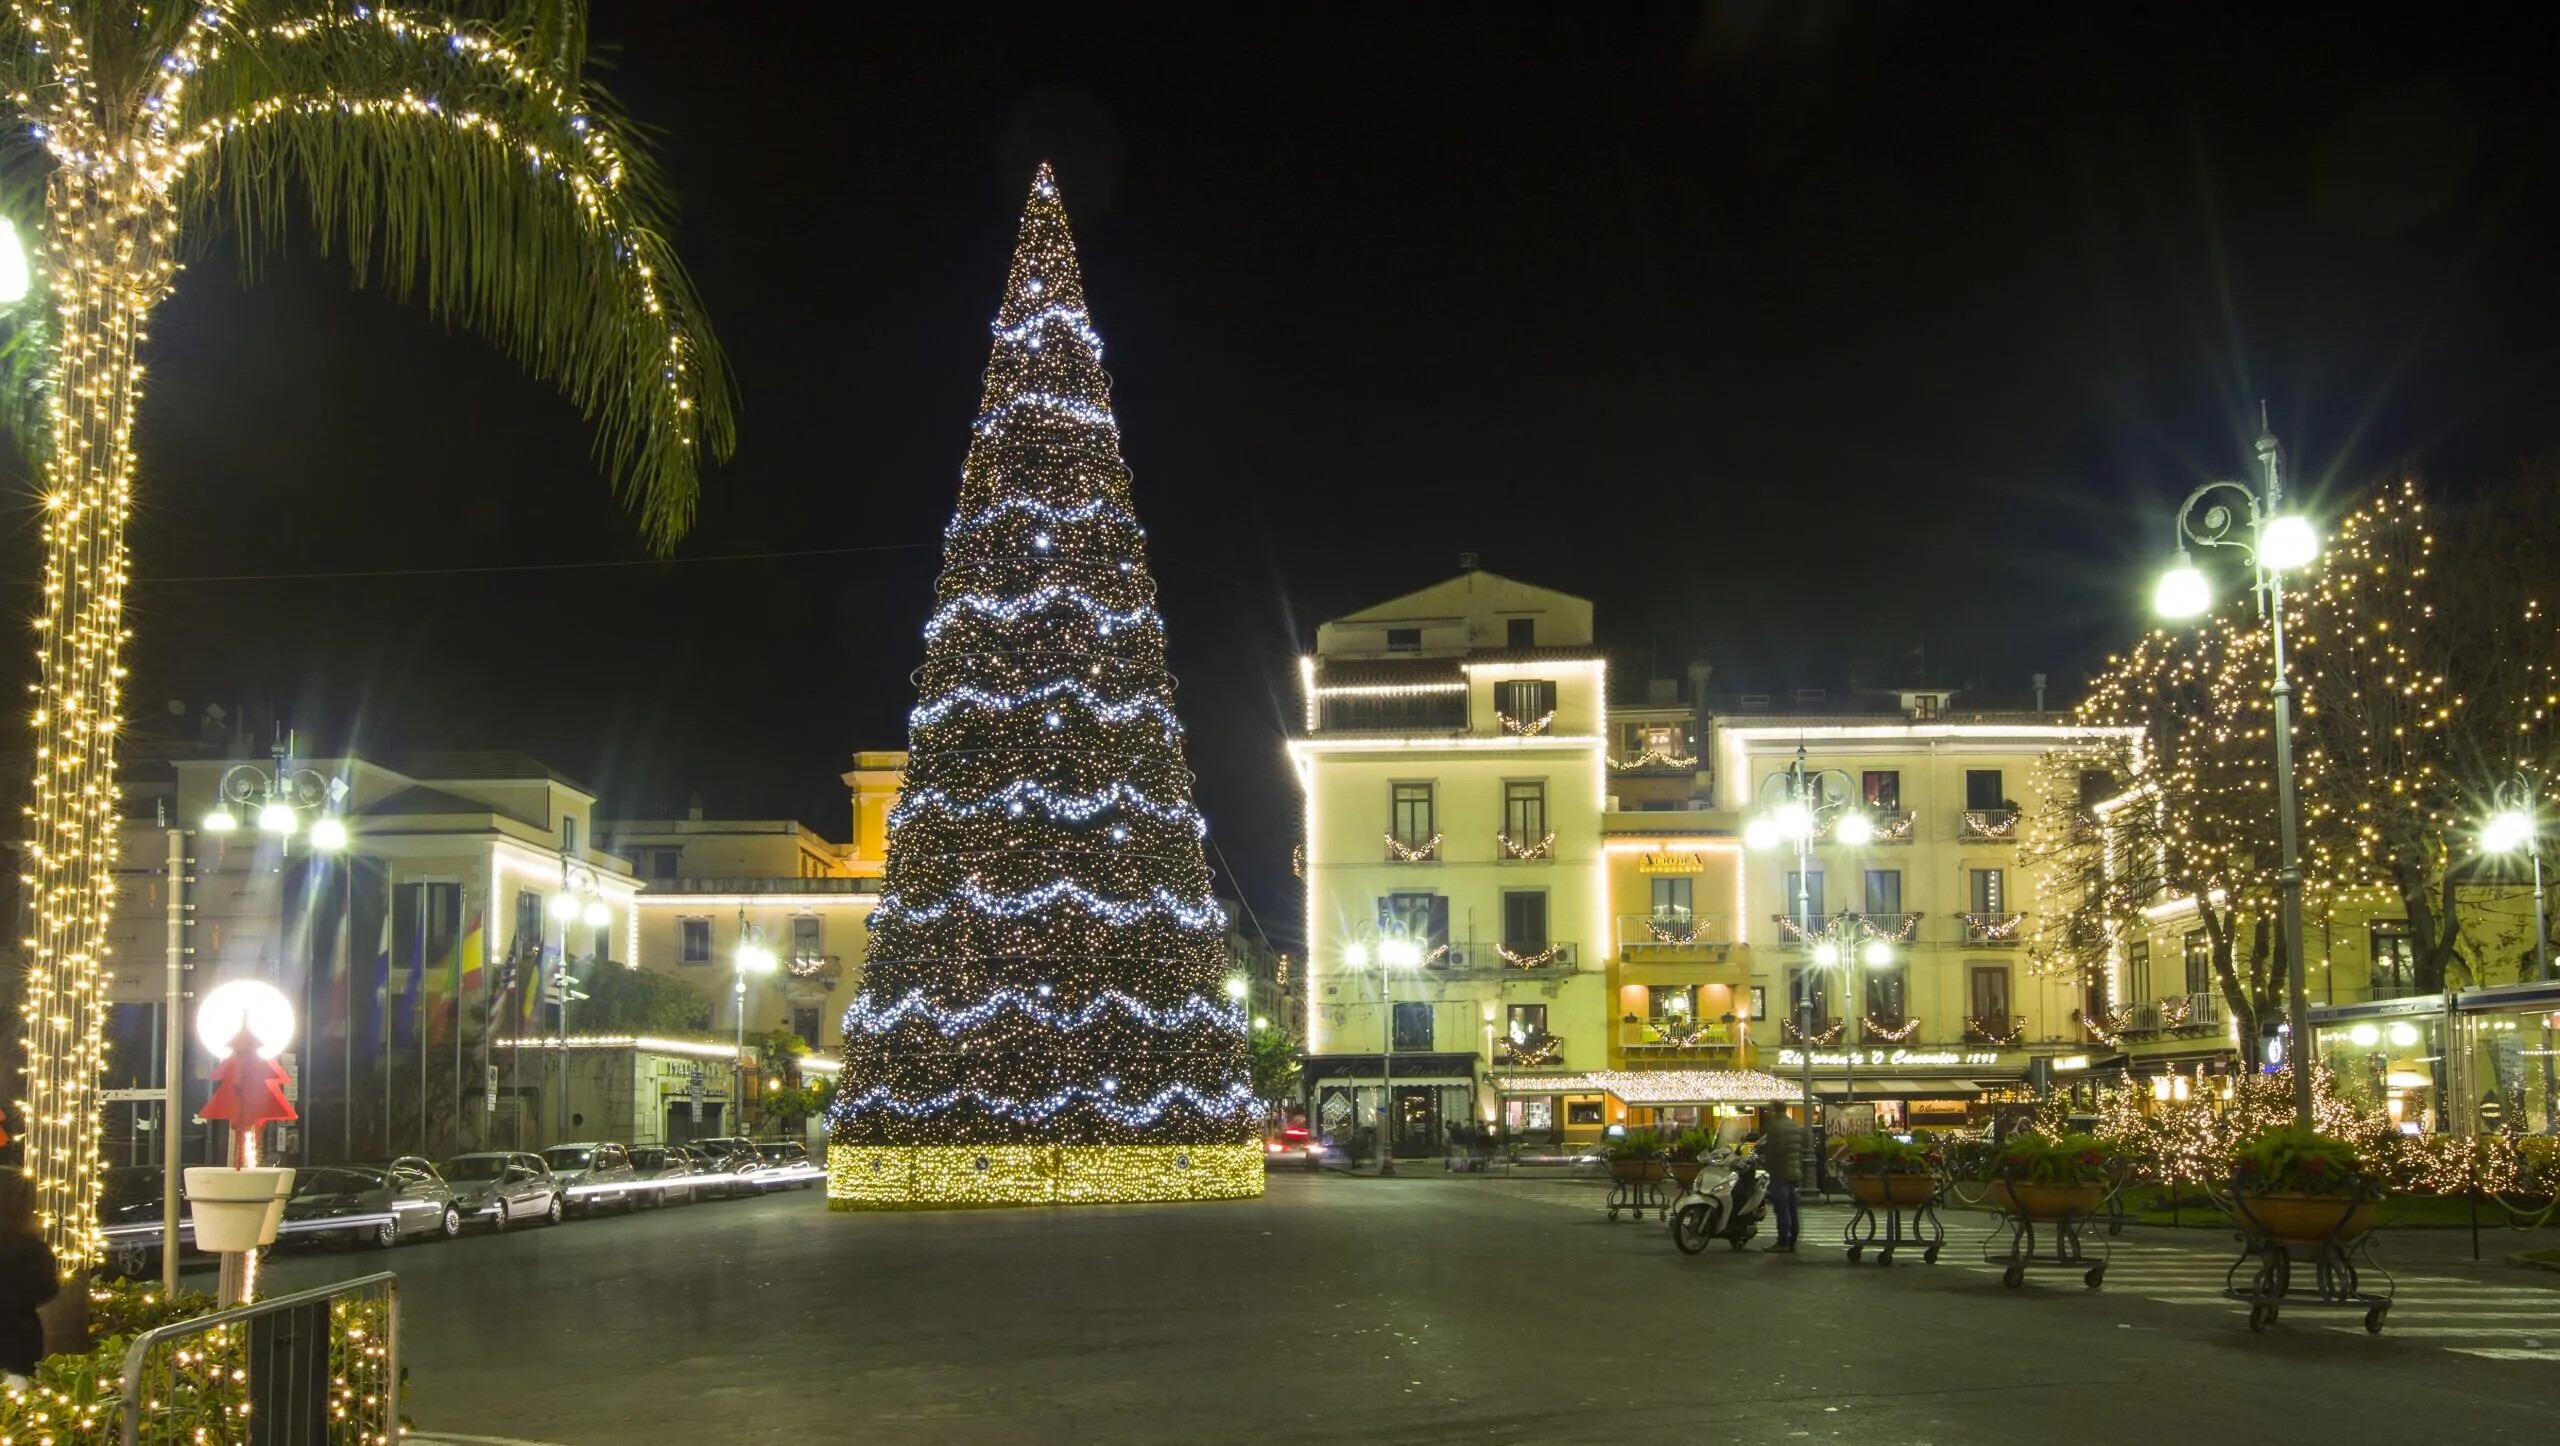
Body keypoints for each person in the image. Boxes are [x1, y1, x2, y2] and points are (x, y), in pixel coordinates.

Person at [0, 1167, 61, 1391]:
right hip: (20, 1349)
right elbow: (47, 1287)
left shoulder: (24, 1246)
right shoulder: (29, 1245)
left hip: (16, 1347)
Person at [1758, 1106, 1807, 1253]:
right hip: (1793, 1170)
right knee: (1792, 1207)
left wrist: (1766, 1164)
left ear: (1774, 1110)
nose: (1767, 1113)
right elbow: (1800, 1147)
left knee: (1781, 1207)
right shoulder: (1793, 1124)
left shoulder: (1776, 1126)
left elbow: (1776, 1149)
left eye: (1769, 1110)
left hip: (1780, 1171)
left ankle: (1783, 1242)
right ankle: (1792, 1240)